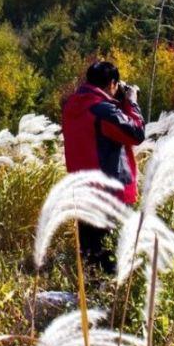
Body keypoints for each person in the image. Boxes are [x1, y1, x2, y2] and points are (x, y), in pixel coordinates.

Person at [60, 60, 145, 274]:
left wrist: (118, 102)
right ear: (112, 83)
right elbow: (136, 134)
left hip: (83, 192)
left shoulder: (72, 106)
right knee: (112, 262)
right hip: (110, 195)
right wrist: (132, 102)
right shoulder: (102, 110)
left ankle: (85, 301)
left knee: (90, 258)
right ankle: (108, 304)